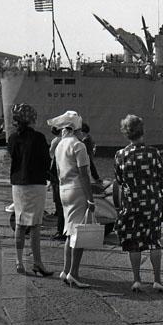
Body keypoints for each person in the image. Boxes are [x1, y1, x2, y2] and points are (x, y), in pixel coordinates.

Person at [114, 114, 163, 293]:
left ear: (126, 133)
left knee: (134, 242)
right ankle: (157, 280)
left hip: (132, 202)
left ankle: (137, 280)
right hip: (152, 202)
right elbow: (162, 177)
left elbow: (119, 180)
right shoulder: (153, 153)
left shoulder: (120, 155)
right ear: (142, 131)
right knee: (154, 241)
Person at [49, 110, 95, 288]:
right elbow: (84, 174)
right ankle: (73, 273)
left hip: (64, 190)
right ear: (76, 128)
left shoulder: (60, 144)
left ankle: (65, 269)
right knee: (79, 234)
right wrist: (90, 199)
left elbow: (58, 171)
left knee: (69, 231)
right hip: (77, 190)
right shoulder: (78, 146)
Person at [7, 103, 53, 277]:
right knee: (35, 225)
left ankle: (19, 262)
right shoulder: (39, 138)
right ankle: (37, 262)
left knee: (20, 223)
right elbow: (46, 162)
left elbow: (13, 158)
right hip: (36, 183)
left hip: (17, 184)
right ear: (32, 119)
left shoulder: (12, 138)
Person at [48, 126, 65, 240]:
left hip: (57, 178)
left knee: (59, 203)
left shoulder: (55, 141)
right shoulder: (65, 142)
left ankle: (61, 230)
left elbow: (51, 154)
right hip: (65, 178)